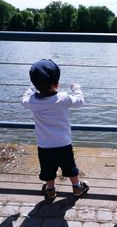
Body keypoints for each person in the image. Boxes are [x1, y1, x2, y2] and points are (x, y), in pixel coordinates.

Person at [21, 59, 89, 199]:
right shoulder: (63, 98)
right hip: (63, 143)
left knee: (48, 169)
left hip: (44, 145)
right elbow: (79, 101)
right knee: (70, 167)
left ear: (35, 85)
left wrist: (32, 88)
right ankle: (77, 188)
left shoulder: (33, 101)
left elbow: (23, 99)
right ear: (57, 84)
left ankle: (50, 190)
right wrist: (76, 88)